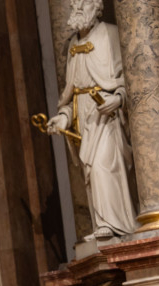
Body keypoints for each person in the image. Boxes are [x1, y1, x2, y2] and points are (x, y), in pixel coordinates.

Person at [47, 0, 137, 240]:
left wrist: (118, 98)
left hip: (106, 114)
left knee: (102, 167)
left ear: (97, 8)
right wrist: (64, 118)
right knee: (89, 172)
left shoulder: (111, 34)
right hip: (84, 116)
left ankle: (115, 224)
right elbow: (71, 93)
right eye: (74, 4)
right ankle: (101, 224)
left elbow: (132, 78)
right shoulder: (73, 44)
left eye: (84, 3)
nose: (77, 8)